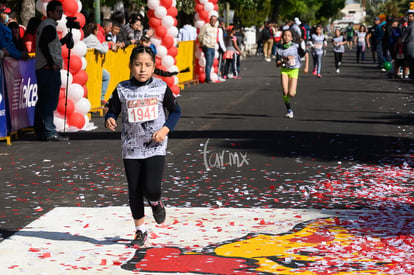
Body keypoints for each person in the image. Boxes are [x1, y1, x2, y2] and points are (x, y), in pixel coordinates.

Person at [104, 46, 181, 247]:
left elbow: (175, 111)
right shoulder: (122, 89)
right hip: (131, 147)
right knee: (135, 190)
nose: (142, 69)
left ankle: (156, 202)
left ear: (154, 66)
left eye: (147, 65)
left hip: (155, 145)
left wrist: (165, 129)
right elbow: (112, 109)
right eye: (137, 65)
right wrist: (110, 118)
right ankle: (140, 231)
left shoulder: (161, 87)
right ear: (130, 66)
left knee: (152, 188)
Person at [34, 0, 74, 141]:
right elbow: (44, 46)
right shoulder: (49, 26)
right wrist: (51, 64)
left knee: (44, 101)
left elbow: (50, 45)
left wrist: (63, 41)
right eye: (58, 11)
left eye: (62, 11)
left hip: (44, 68)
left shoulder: (49, 26)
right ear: (50, 12)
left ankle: (41, 131)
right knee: (49, 101)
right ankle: (49, 131)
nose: (61, 14)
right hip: (47, 69)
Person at [275, 29, 307, 119]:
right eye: (285, 35)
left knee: (291, 94)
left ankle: (291, 91)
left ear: (292, 38)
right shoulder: (279, 48)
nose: (286, 37)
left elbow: (306, 54)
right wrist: (284, 60)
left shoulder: (296, 46)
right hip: (284, 70)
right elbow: (277, 64)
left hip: (294, 70)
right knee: (285, 92)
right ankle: (289, 110)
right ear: (282, 37)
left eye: (289, 35)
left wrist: (306, 66)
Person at [82, 22, 110, 104]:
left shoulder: (85, 37)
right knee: (106, 76)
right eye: (97, 30)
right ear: (94, 30)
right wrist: (105, 43)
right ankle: (101, 97)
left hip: (84, 65)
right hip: (90, 66)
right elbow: (103, 50)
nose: (98, 32)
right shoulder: (92, 38)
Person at [198, 15, 218, 83]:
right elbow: (200, 35)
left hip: (213, 47)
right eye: (212, 19)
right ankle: (208, 78)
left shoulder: (215, 28)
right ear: (210, 20)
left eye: (215, 20)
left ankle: (208, 77)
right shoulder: (206, 26)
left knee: (211, 63)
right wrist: (202, 44)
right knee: (208, 63)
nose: (213, 21)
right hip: (207, 46)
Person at [401, 11, 414, 80]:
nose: (409, 17)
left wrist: (402, 40)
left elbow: (409, 36)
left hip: (410, 44)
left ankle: (412, 76)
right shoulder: (410, 24)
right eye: (408, 16)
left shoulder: (412, 25)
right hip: (410, 44)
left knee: (411, 60)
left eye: (411, 16)